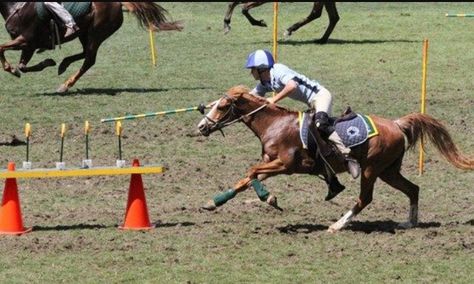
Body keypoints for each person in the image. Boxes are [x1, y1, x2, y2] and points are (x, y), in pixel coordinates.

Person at [245, 49, 360, 200]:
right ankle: (333, 182)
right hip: (311, 103)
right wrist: (218, 103)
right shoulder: (265, 82)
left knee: (320, 126)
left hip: (320, 96)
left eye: (252, 69)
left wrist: (274, 100)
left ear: (261, 68)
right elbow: (249, 98)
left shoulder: (278, 70)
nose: (251, 72)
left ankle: (348, 157)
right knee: (311, 143)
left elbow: (292, 86)